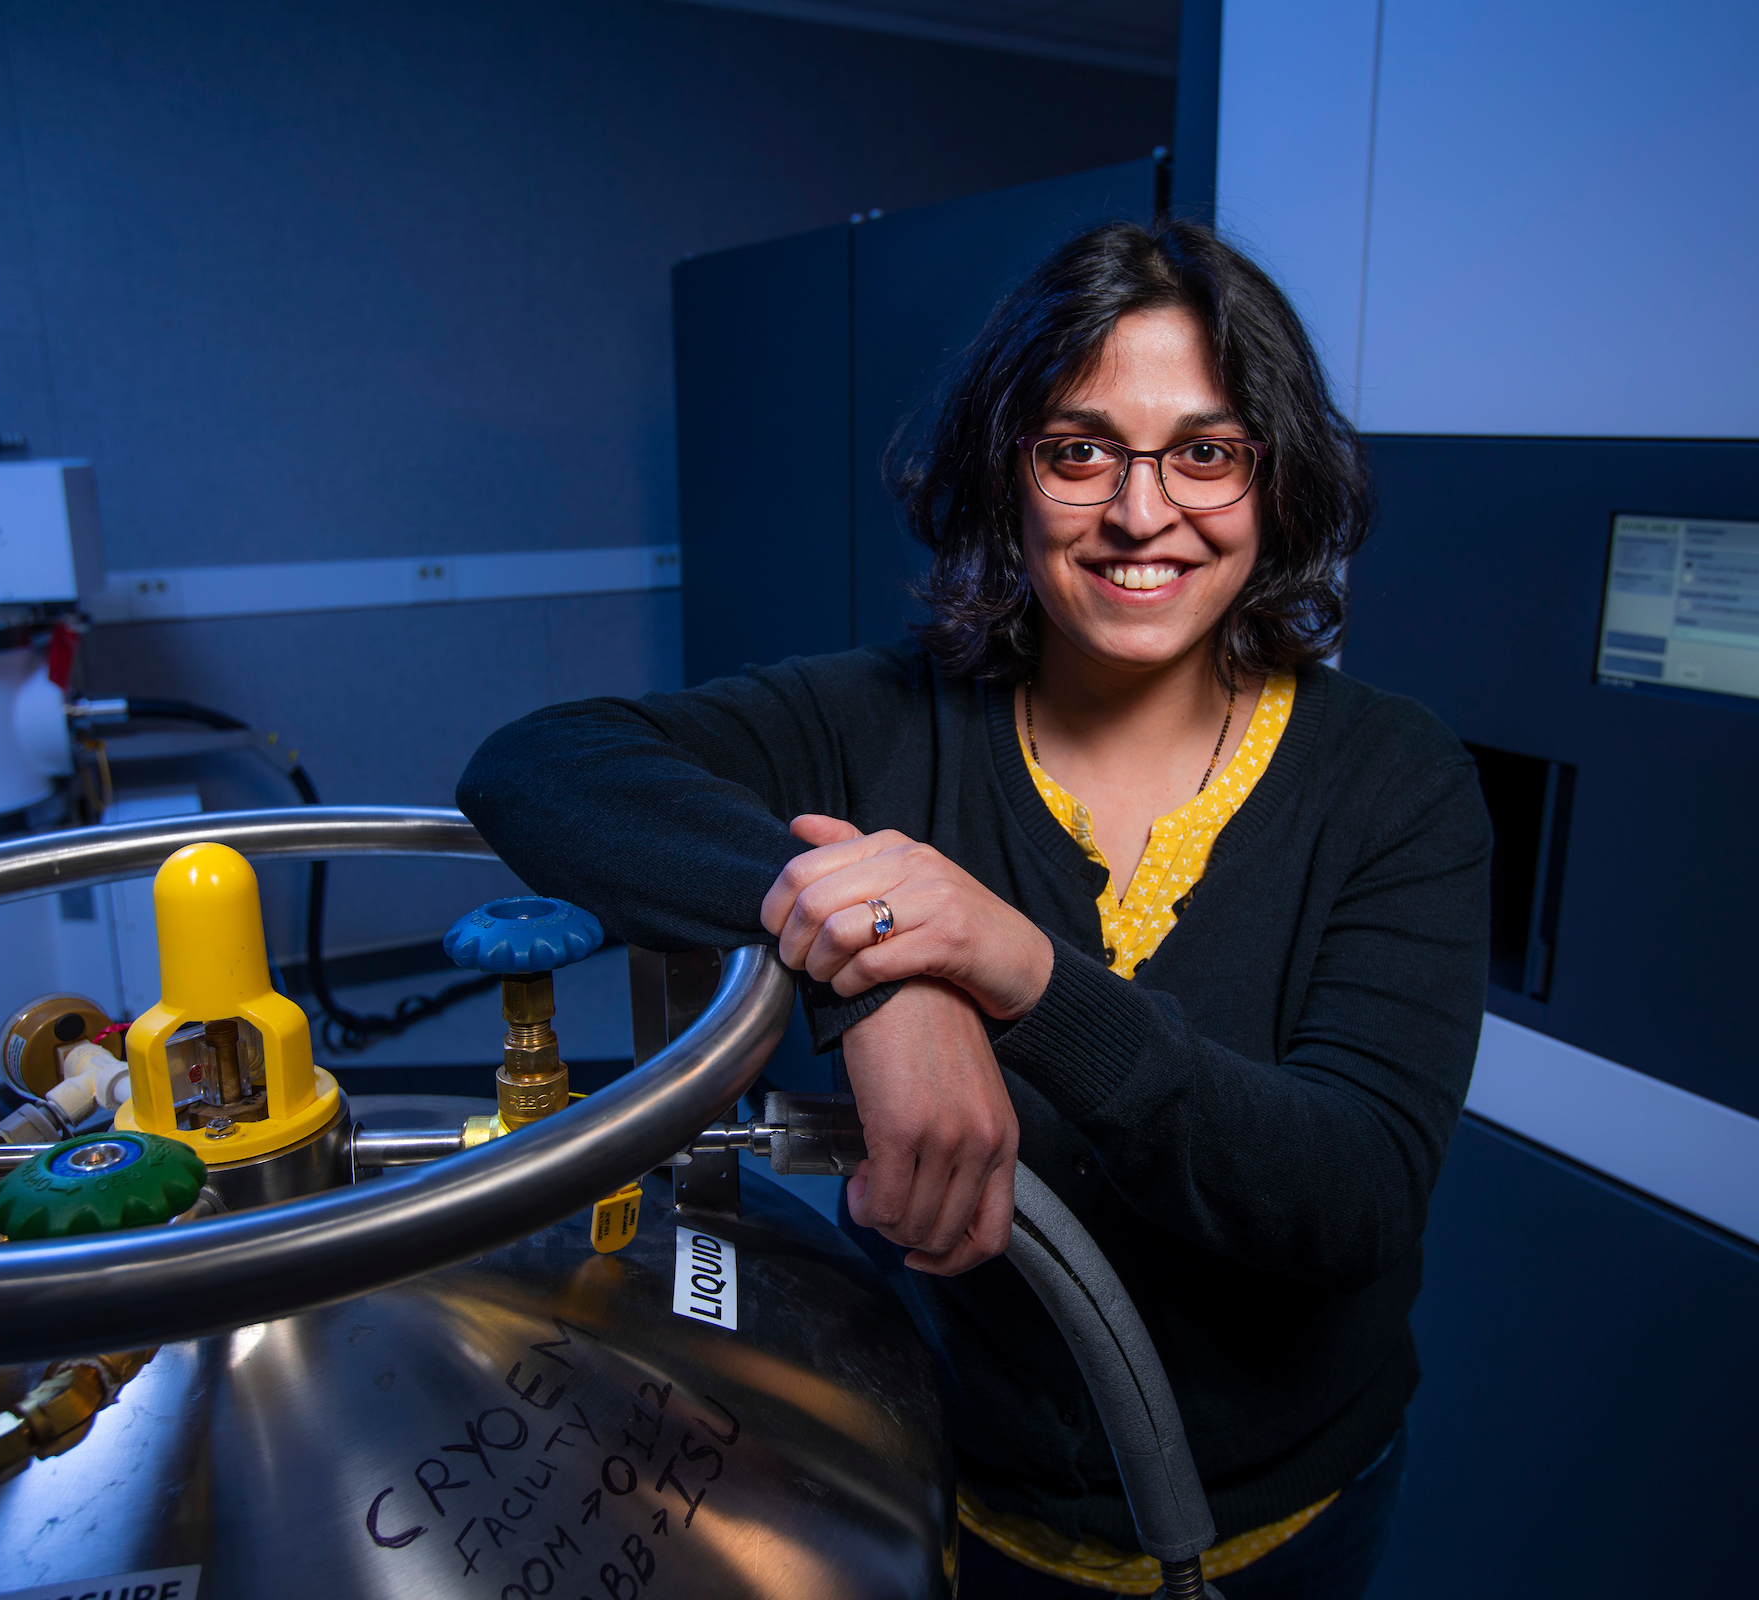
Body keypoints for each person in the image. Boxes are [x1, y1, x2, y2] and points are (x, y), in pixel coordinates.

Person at [460, 220, 1489, 1599]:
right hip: (973, 1495)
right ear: (1003, 478)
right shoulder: (888, 723)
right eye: (1078, 452)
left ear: (1277, 482)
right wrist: (882, 978)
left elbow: (1350, 1193)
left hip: (1293, 1517)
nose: (1141, 512)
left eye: (1205, 450)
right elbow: (540, 768)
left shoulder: (1393, 778)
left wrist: (1012, 970)